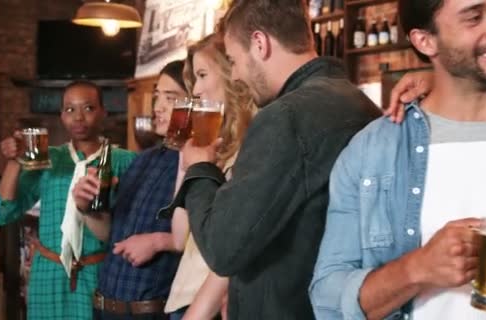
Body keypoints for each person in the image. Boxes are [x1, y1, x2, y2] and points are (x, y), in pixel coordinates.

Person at [309, 0, 486, 319]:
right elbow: (327, 301)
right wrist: (415, 269)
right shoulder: (370, 152)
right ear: (425, 41)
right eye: (474, 17)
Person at [158, 1, 381, 319]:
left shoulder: (284, 117)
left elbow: (223, 248)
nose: (234, 75)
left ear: (260, 44)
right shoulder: (359, 102)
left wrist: (198, 167)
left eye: (233, 60)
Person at [0, 81, 135, 320]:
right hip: (48, 272)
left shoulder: (124, 161)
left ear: (103, 113)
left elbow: (129, 226)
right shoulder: (48, 158)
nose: (78, 117)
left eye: (88, 108)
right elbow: (2, 213)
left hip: (98, 273)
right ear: (61, 116)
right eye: (69, 109)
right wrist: (14, 161)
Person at [72, 61, 189, 320]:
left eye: (170, 98)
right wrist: (88, 207)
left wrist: (160, 242)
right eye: (157, 96)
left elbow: (210, 242)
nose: (157, 107)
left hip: (152, 312)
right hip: (105, 307)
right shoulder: (142, 160)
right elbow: (109, 235)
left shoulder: (198, 163)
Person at [163, 33, 258, 320]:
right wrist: (187, 162)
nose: (197, 90)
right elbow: (180, 236)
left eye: (203, 75)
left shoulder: (254, 144)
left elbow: (237, 245)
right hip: (184, 298)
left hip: (210, 306)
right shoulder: (219, 148)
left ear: (231, 72)